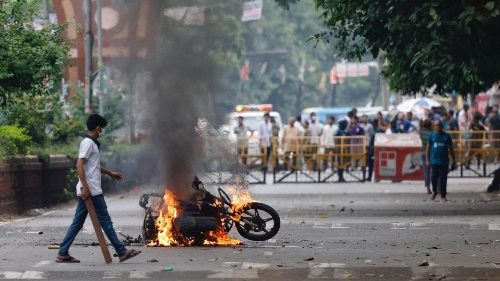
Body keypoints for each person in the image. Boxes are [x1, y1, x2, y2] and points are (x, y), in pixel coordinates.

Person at [56, 114, 141, 263]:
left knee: (78, 222)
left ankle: (63, 252)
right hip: (92, 191)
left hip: (89, 190)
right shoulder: (88, 143)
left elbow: (93, 166)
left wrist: (110, 173)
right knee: (105, 221)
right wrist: (85, 187)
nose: (100, 132)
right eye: (100, 129)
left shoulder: (91, 143)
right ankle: (121, 251)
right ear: (97, 128)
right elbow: (79, 164)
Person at [427, 120, 456, 203]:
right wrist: (427, 159)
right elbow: (428, 148)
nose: (438, 127)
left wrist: (454, 161)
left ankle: (443, 196)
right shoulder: (431, 135)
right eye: (436, 126)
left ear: (442, 126)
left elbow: (451, 149)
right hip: (434, 161)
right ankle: (434, 191)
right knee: (433, 178)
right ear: (434, 127)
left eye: (439, 125)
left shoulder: (447, 136)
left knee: (443, 179)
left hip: (444, 161)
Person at [419, 120, 432, 194]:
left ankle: (428, 188)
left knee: (426, 171)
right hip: (431, 152)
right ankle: (437, 187)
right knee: (435, 170)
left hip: (423, 152)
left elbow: (420, 128)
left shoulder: (421, 132)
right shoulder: (431, 133)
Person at [360, 115, 375, 181]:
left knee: (369, 161)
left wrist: (372, 145)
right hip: (362, 145)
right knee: (363, 161)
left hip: (368, 145)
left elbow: (372, 135)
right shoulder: (360, 126)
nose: (365, 119)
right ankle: (363, 176)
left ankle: (369, 176)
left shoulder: (370, 126)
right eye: (364, 118)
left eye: (366, 118)